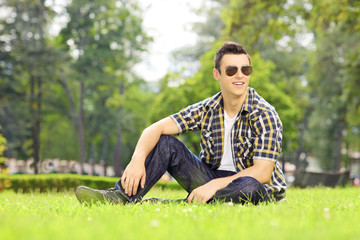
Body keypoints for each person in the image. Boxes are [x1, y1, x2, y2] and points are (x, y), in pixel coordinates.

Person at [75, 41, 286, 205]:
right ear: (217, 74)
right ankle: (119, 197)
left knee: (249, 186)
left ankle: (183, 203)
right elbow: (155, 128)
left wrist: (213, 186)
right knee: (166, 143)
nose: (240, 75)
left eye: (245, 70)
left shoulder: (264, 113)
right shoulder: (207, 108)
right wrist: (137, 160)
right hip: (210, 178)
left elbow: (263, 172)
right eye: (231, 70)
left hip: (251, 185)